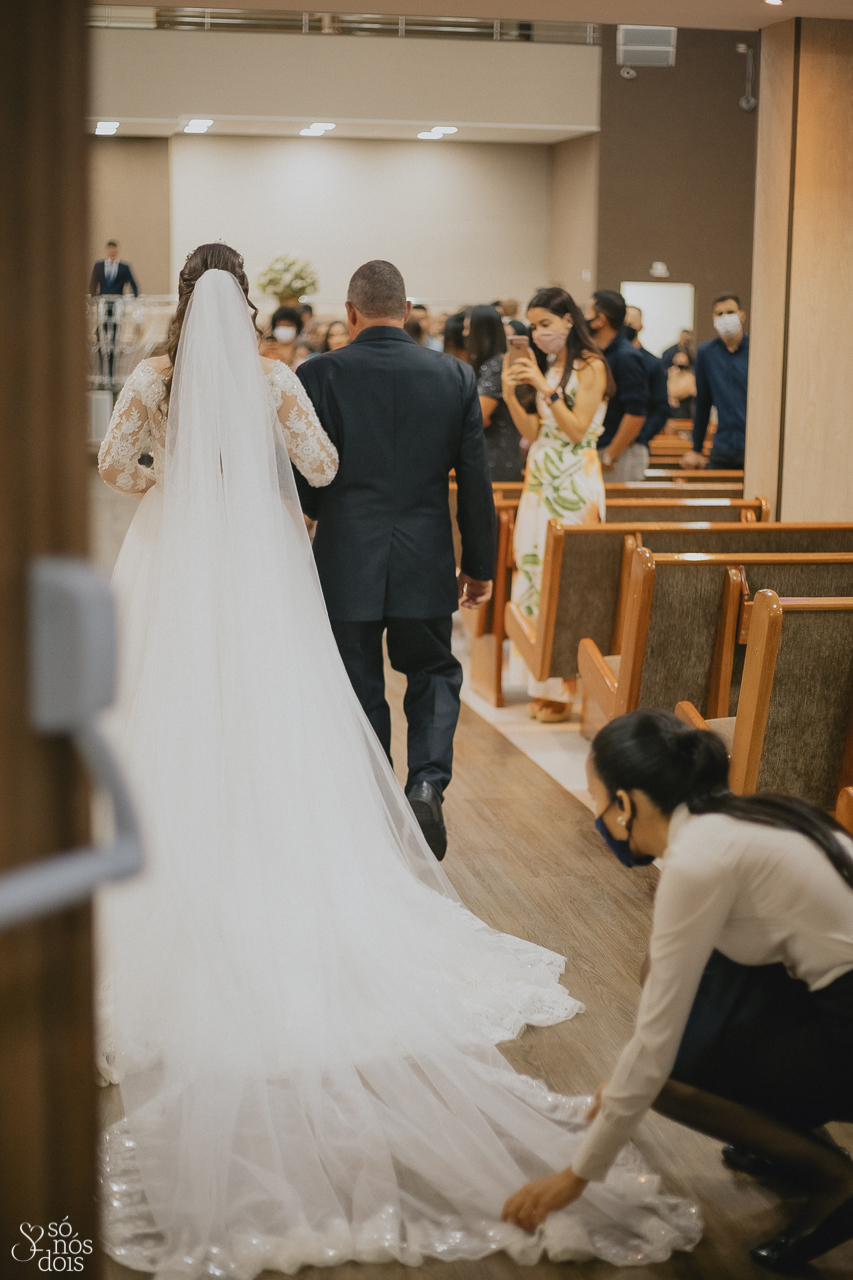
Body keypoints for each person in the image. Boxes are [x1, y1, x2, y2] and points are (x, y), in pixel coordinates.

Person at [94, 243, 699, 1276]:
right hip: (266, 561)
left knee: (167, 700)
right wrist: (258, 480)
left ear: (184, 299)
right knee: (281, 710)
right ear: (249, 306)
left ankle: (177, 848)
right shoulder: (277, 378)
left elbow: (116, 467)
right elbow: (322, 467)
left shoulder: (152, 376)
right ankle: (352, 813)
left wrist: (178, 481)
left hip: (174, 558)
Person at [503, 709, 853, 1272]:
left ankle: (834, 1179)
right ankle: (787, 1138)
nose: (600, 821)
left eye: (599, 803)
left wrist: (576, 1176)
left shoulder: (699, 859)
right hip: (828, 996)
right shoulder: (748, 817)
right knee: (664, 976)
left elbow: (654, 1044)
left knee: (662, 1080)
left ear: (627, 803)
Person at [296, 261, 493, 859]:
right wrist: (479, 565)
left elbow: (307, 477)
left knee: (358, 680)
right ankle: (426, 784)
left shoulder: (318, 373)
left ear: (350, 312)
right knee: (432, 671)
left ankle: (377, 795)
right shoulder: (455, 376)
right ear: (407, 311)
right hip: (425, 555)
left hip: (345, 557)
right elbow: (475, 483)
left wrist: (317, 516)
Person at [503, 287, 612, 723]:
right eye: (533, 326)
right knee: (532, 570)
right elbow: (535, 430)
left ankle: (566, 685)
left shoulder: (592, 366)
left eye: (544, 324)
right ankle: (540, 680)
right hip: (540, 479)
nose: (537, 333)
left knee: (565, 579)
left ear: (569, 321)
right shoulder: (548, 365)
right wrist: (511, 394)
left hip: (574, 481)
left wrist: (544, 387)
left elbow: (577, 429)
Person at [585, 290, 649, 481]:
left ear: (600, 319)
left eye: (587, 313)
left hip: (620, 452)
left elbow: (636, 413)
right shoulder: (600, 352)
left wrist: (610, 454)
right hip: (602, 447)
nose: (583, 319)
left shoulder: (626, 356)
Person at [681, 293, 749, 471]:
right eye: (719, 314)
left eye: (730, 312)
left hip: (753, 445)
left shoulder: (756, 348)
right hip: (723, 445)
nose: (725, 317)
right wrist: (696, 448)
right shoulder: (707, 353)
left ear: (741, 315)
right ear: (713, 318)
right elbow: (702, 403)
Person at [465, 304, 522, 483]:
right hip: (489, 450)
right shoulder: (490, 364)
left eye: (468, 329)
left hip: (497, 455)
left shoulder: (496, 365)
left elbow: (477, 416)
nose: (464, 334)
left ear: (480, 332)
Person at [90, 240, 139, 385]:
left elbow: (133, 285)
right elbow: (92, 284)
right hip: (102, 306)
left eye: (114, 250)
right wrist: (94, 300)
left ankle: (112, 372)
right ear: (107, 250)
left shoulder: (124, 267)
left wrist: (135, 301)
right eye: (110, 250)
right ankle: (101, 371)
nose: (112, 252)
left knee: (114, 339)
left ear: (117, 251)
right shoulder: (99, 266)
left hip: (117, 306)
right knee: (101, 338)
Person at [624, 306, 670, 452]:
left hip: (637, 443)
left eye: (630, 324)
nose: (626, 328)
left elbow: (661, 407)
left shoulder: (653, 363)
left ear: (640, 326)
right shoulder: (607, 359)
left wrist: (641, 436)